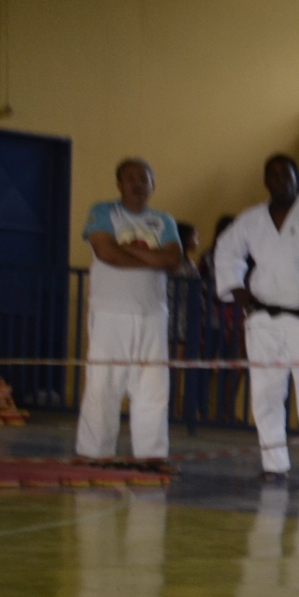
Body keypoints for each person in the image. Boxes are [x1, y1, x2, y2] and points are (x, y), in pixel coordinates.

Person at [214, 154, 299, 483]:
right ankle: (274, 464)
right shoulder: (251, 219)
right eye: (273, 175)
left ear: (296, 178)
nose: (280, 180)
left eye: (286, 173)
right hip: (262, 318)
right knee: (265, 393)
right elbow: (226, 250)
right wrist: (236, 289)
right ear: (265, 181)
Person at [75, 157, 183, 463]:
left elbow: (173, 261)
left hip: (153, 314)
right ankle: (94, 453)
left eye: (143, 178)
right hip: (110, 312)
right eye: (130, 178)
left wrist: (130, 251)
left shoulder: (164, 221)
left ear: (152, 185)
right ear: (119, 184)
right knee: (103, 382)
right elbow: (106, 253)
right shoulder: (103, 212)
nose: (137, 183)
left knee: (152, 386)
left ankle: (151, 455)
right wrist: (152, 256)